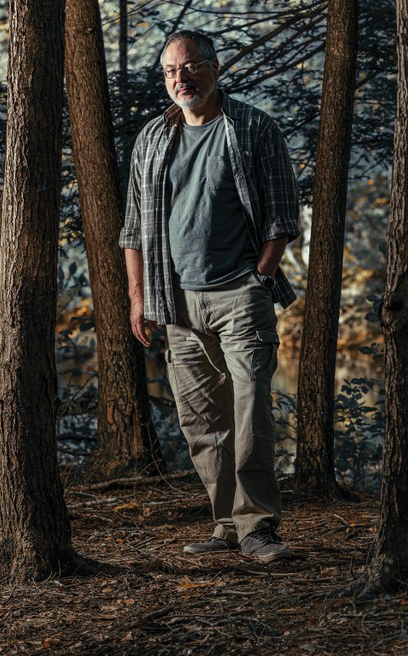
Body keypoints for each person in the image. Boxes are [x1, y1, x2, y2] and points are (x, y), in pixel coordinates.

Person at [120, 29, 300, 563]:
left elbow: (282, 216)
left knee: (251, 412)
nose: (182, 78)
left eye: (191, 66)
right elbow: (132, 228)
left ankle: (258, 527)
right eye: (172, 71)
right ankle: (226, 523)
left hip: (239, 294)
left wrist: (260, 278)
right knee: (202, 422)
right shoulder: (152, 138)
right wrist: (138, 299)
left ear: (215, 67)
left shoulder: (250, 128)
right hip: (174, 301)